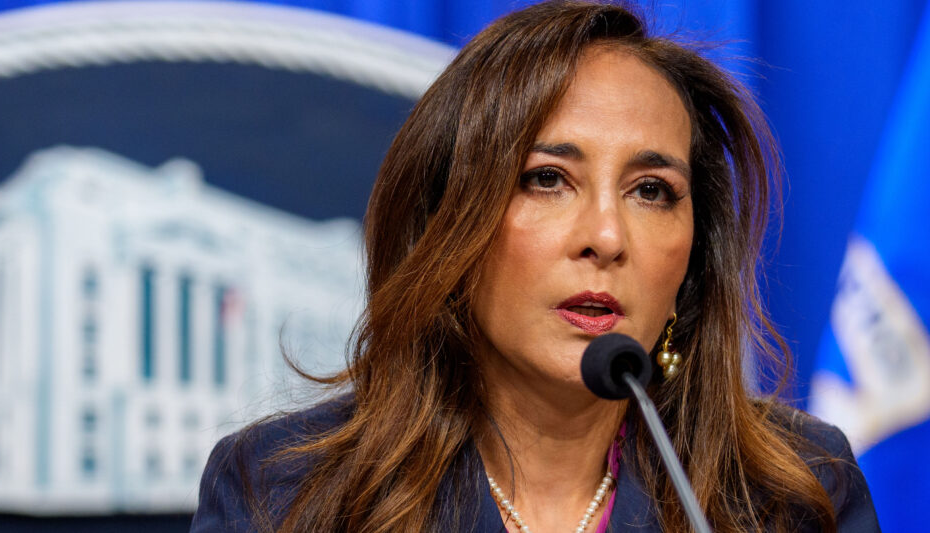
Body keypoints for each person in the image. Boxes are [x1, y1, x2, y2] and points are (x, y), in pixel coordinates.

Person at [190, 1, 880, 532]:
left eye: (651, 191)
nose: (607, 237)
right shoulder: (285, 496)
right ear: (449, 223)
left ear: (693, 263)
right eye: (547, 178)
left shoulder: (794, 497)